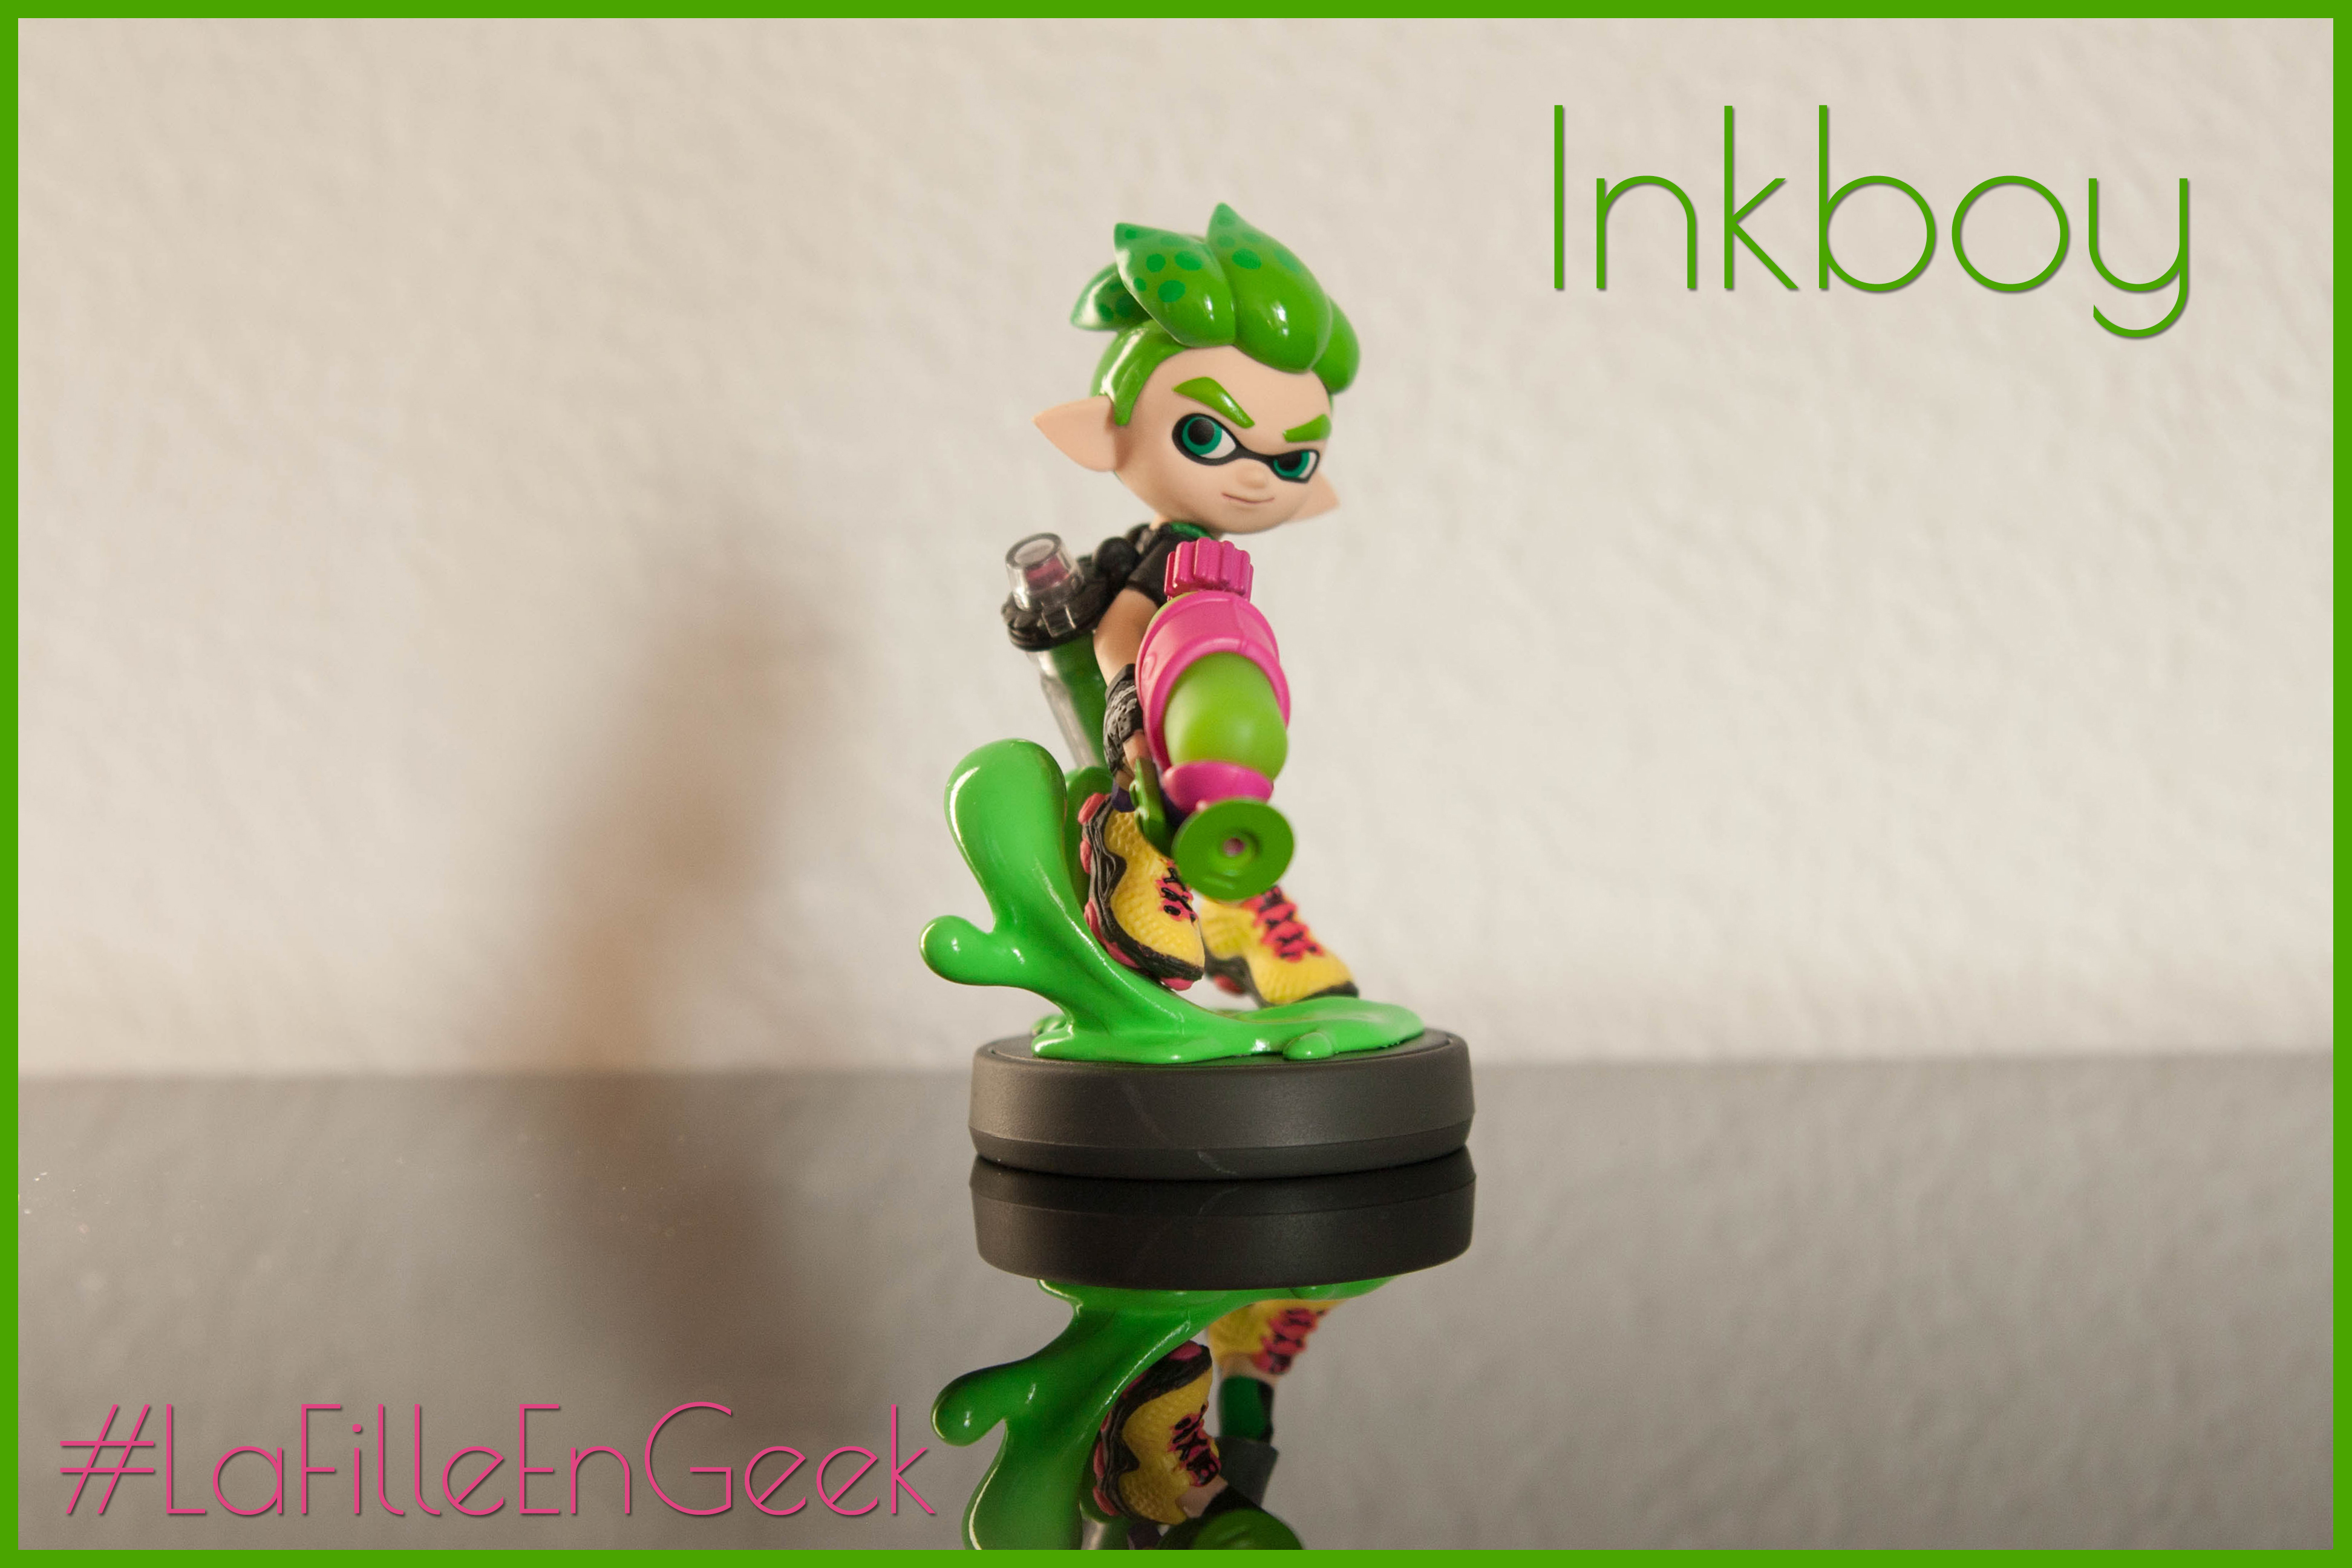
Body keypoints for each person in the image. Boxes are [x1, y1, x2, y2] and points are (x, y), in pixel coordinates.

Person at [1032, 205, 1359, 1007]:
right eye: (1208, 437)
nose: (1254, 476)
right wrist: (1133, 724)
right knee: (1161, 801)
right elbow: (1119, 632)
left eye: (1290, 460)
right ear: (1105, 432)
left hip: (1208, 735)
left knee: (1225, 803)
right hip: (1147, 740)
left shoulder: (1210, 564)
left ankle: (1239, 909)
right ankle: (1134, 852)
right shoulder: (1157, 559)